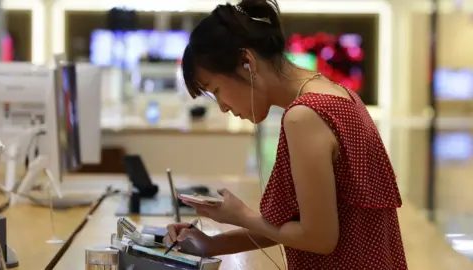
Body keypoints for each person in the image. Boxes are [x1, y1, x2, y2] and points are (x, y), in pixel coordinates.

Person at [163, 0, 407, 269]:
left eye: (217, 90)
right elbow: (301, 226)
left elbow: (318, 238)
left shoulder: (304, 116)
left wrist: (240, 215)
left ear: (247, 62)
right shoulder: (338, 95)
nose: (223, 107)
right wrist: (211, 244)